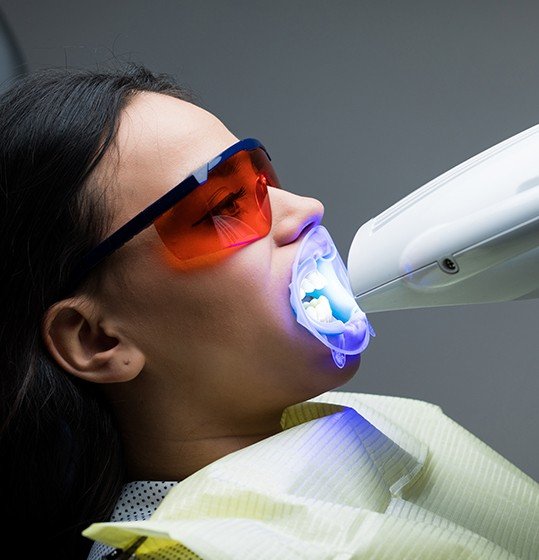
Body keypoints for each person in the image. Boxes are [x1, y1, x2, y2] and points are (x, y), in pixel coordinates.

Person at [1, 64, 538, 560]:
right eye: (223, 207)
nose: (306, 210)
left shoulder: (371, 430)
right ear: (97, 340)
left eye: (262, 178)